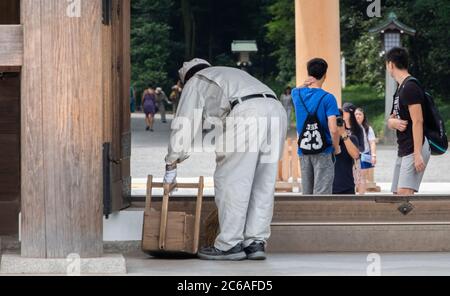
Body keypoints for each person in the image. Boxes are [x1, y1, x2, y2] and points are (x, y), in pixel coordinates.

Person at [163, 58, 287, 261]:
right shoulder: (228, 73)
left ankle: (229, 244)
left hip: (248, 113)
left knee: (232, 180)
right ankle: (255, 242)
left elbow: (185, 123)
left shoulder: (196, 80)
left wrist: (172, 163)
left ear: (186, 78)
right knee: (263, 182)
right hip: (275, 110)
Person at [292, 58, 340, 195]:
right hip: (323, 150)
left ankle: (306, 217)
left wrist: (304, 83)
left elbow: (297, 88)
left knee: (306, 192)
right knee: (322, 192)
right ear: (325, 75)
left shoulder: (297, 94)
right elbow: (333, 128)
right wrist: (336, 148)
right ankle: (321, 217)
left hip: (304, 150)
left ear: (309, 74)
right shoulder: (328, 98)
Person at [386, 47, 430, 195]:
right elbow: (393, 117)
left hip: (414, 148)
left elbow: (418, 121)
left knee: (404, 197)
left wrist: (417, 154)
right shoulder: (400, 88)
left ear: (391, 64)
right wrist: (391, 123)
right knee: (396, 195)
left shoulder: (410, 87)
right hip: (404, 148)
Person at [333, 109, 361, 195]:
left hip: (347, 188)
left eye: (338, 121)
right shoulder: (325, 140)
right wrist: (335, 134)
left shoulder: (351, 139)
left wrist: (343, 134)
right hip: (328, 188)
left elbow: (356, 155)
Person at [341, 103, 365, 193]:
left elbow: (362, 147)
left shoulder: (358, 128)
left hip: (354, 161)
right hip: (341, 159)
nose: (342, 114)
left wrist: (353, 148)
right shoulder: (340, 126)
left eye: (344, 112)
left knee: (356, 181)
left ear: (350, 113)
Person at [355, 107, 377, 194]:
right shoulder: (349, 127)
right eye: (356, 114)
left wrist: (373, 155)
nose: (357, 116)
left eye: (360, 114)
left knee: (362, 177)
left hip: (364, 154)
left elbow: (372, 143)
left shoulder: (368, 128)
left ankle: (361, 196)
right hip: (352, 155)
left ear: (364, 116)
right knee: (353, 177)